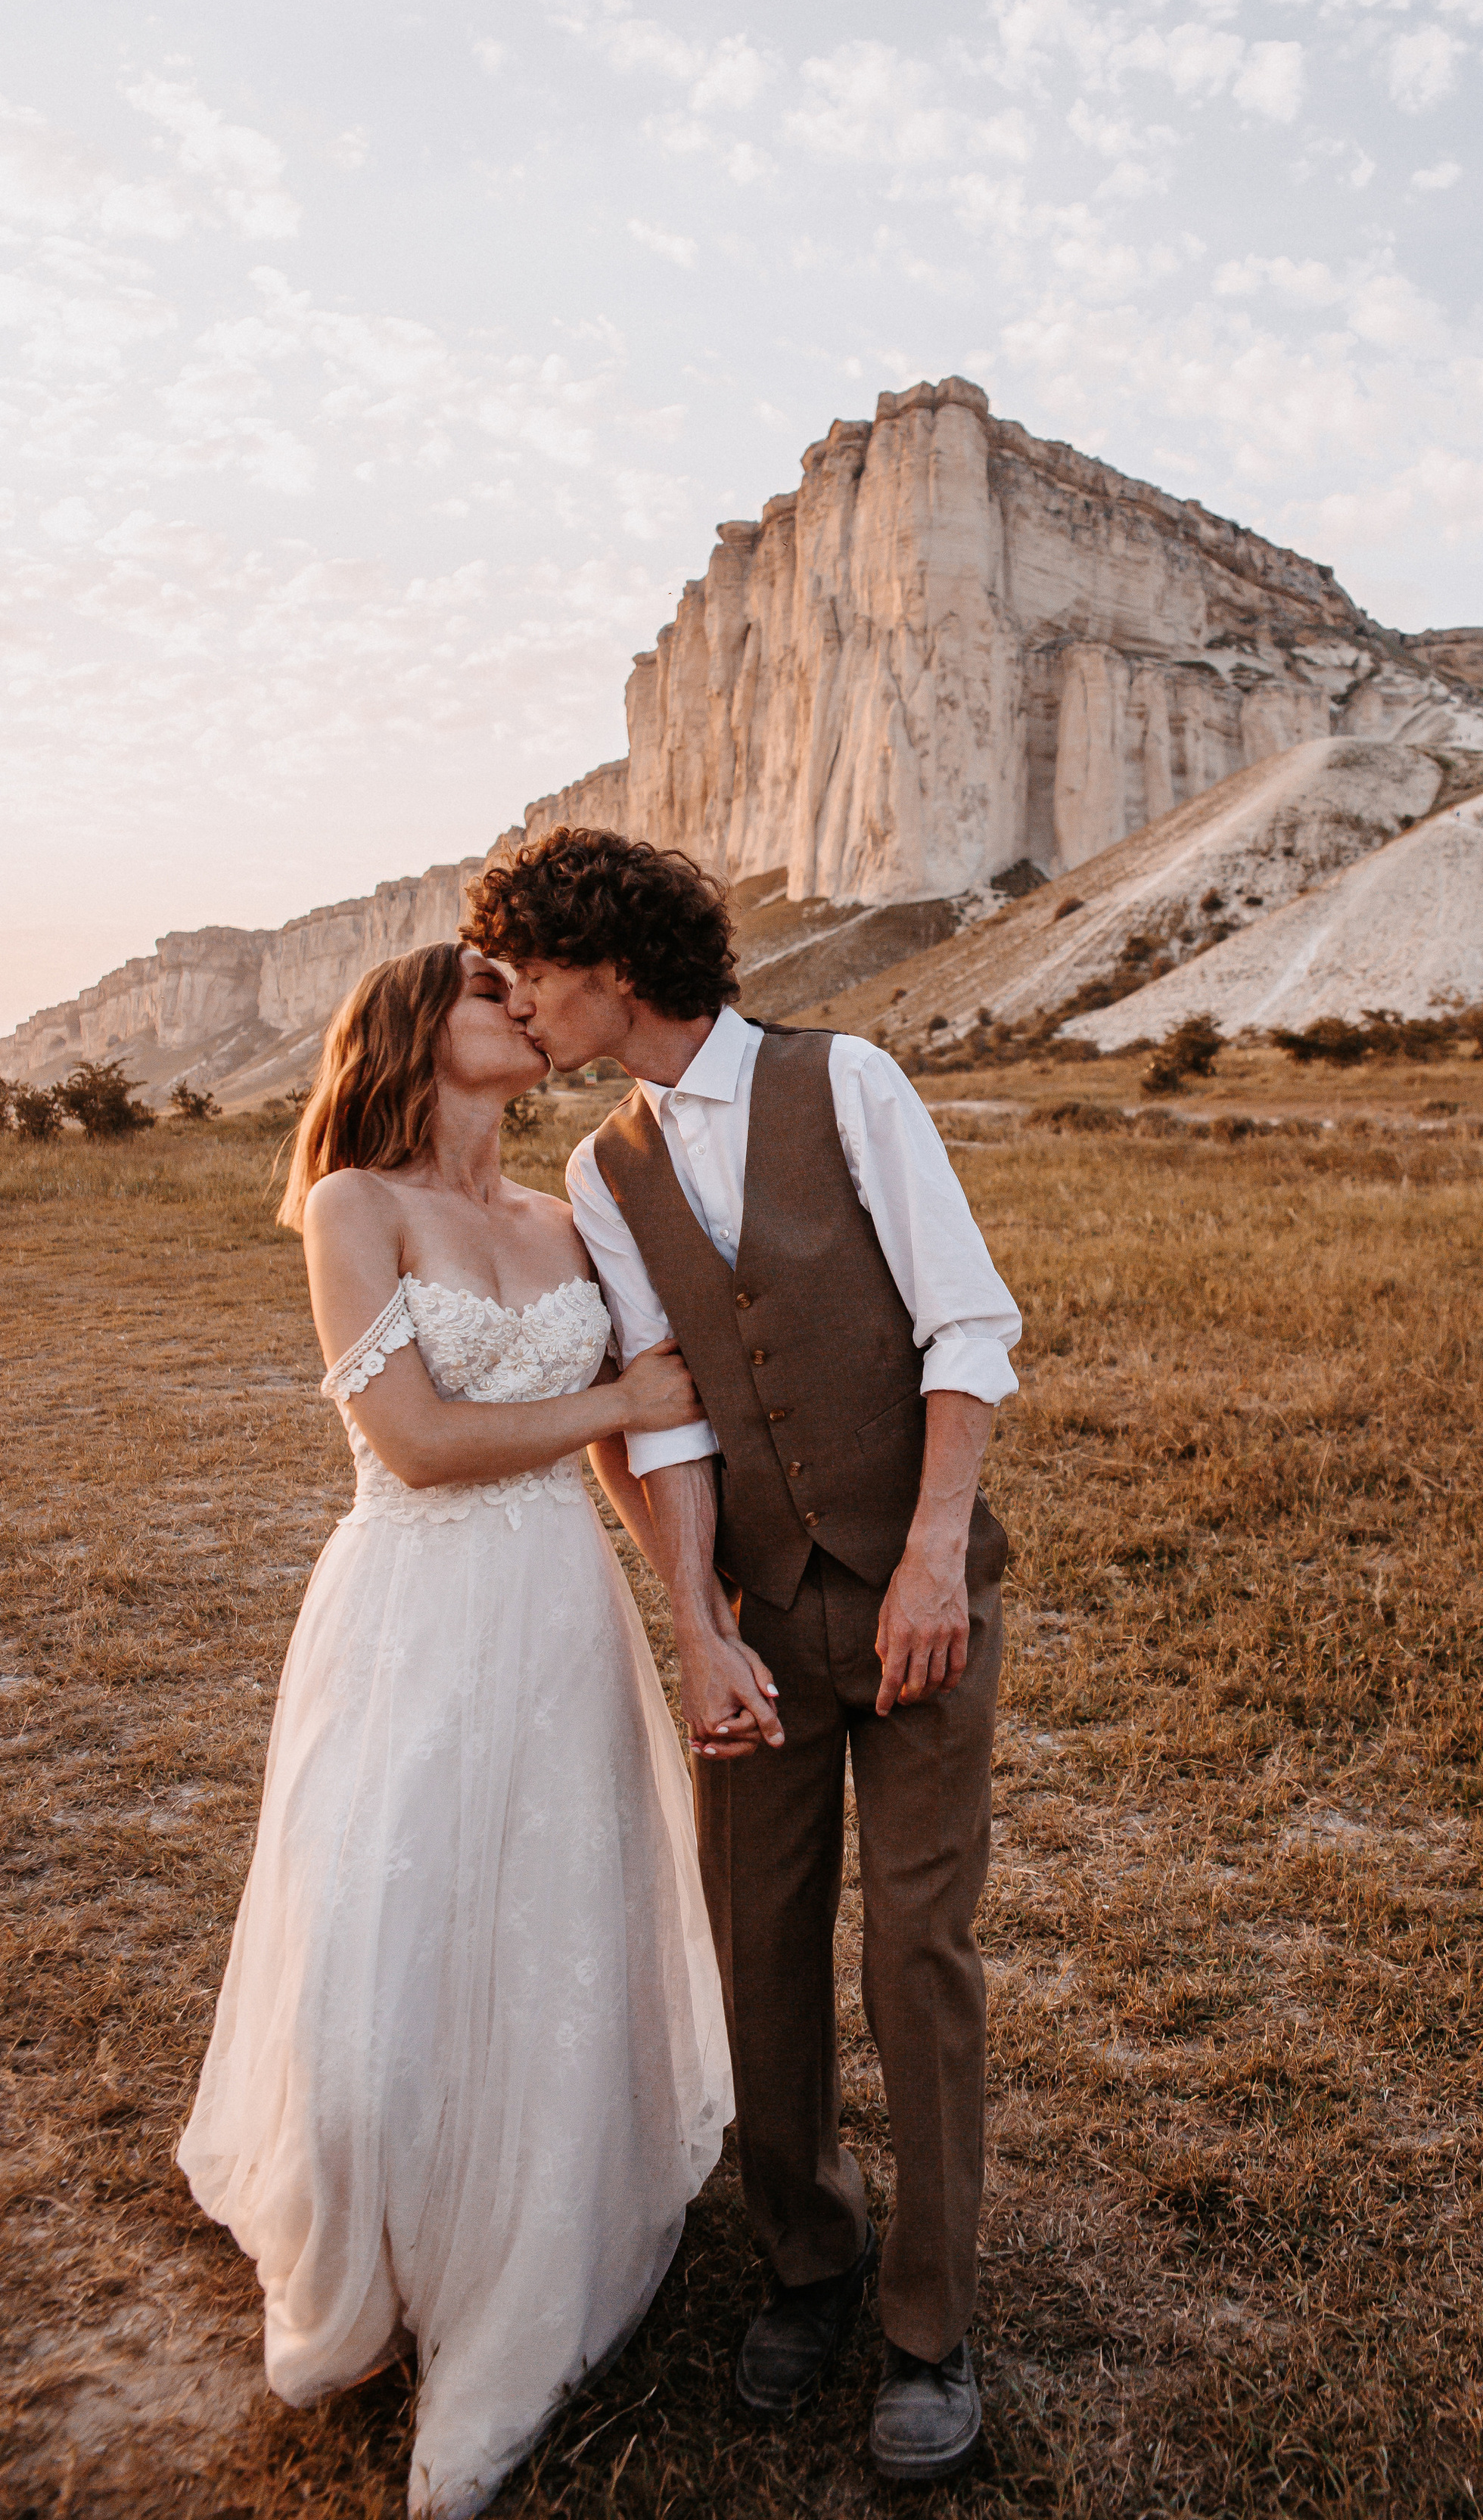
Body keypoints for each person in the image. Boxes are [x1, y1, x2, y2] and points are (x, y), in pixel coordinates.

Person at [462, 827, 1021, 2487]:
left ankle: (930, 2323)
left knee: (914, 1952)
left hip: (919, 1587)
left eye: (529, 972)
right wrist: (697, 1625)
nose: (518, 1005)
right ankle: (807, 2255)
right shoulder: (600, 1173)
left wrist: (931, 1559)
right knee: (751, 1943)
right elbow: (673, 1414)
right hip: (761, 1614)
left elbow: (965, 1324)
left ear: (607, 966)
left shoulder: (846, 1085)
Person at [178, 942, 760, 2519]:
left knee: (548, 1928)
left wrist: (695, 1618)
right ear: (411, 1030)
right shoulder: (355, 1208)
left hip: (559, 1616)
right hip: (412, 1617)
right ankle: (370, 2246)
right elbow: (420, 1440)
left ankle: (520, 2273)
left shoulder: (564, 1219)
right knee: (387, 1937)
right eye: (490, 995)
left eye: (526, 999)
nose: (525, 1011)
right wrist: (614, 1406)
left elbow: (648, 1447)